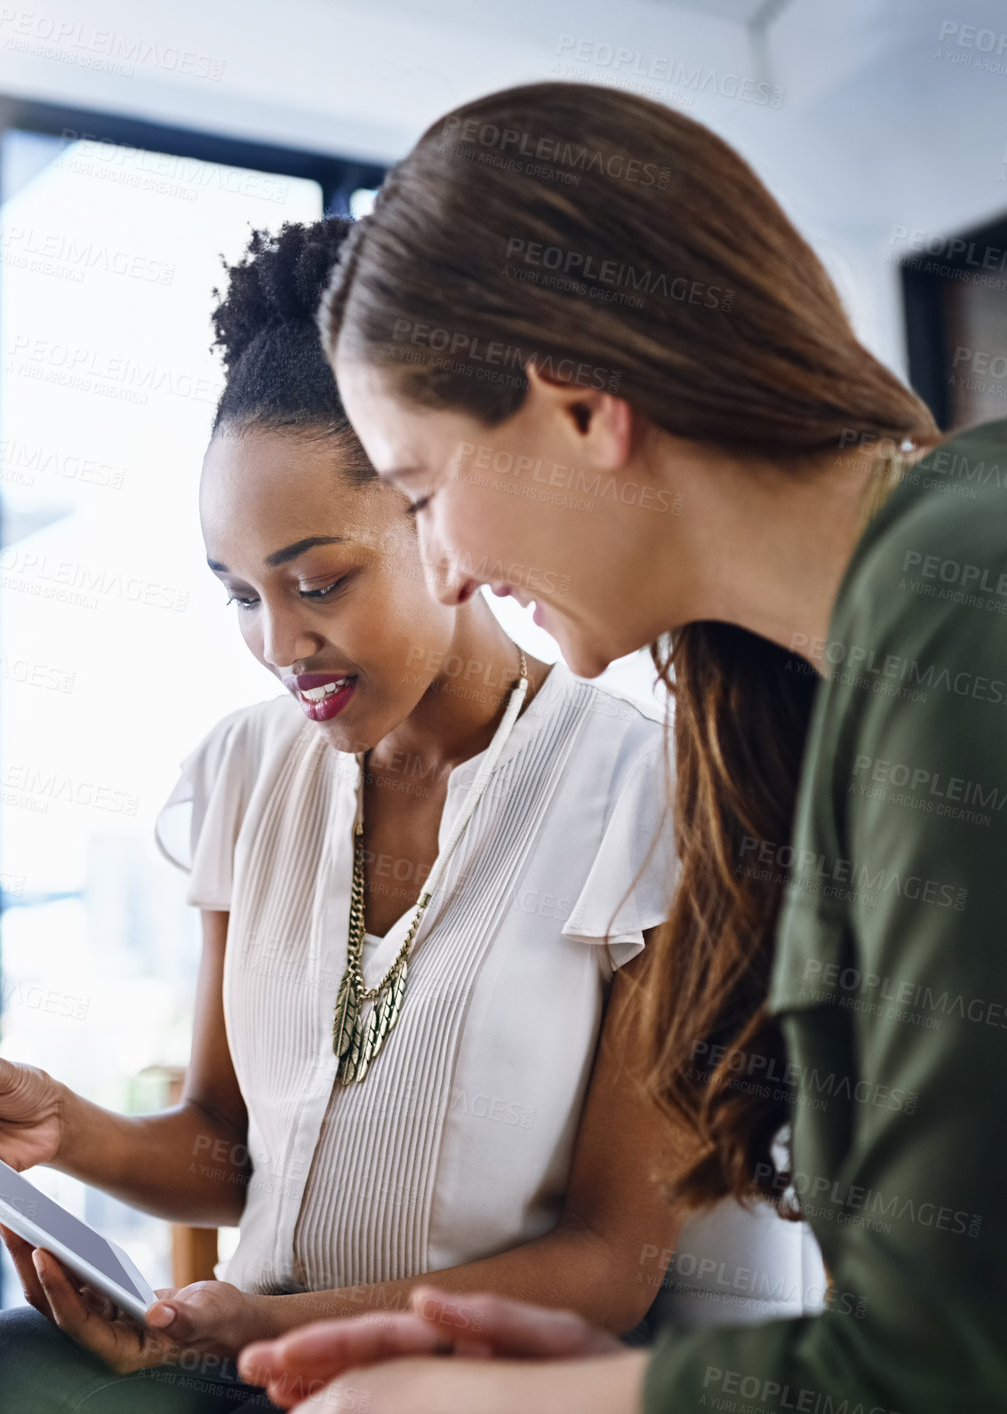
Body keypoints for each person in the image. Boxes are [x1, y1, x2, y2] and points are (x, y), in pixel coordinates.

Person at [0, 219, 776, 1414]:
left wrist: (281, 1326)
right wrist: (65, 1128)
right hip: (244, 1357)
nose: (279, 645)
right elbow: (228, 1149)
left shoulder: (642, 797)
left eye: (319, 582)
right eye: (241, 594)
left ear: (442, 517)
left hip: (463, 1387)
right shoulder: (246, 771)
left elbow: (611, 1265)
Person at [230, 83, 1007, 1413]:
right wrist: (607, 1378)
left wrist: (513, 1403)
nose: (450, 571)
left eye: (423, 492)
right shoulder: (822, 690)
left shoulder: (954, 593)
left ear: (582, 409)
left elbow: (940, 1368)